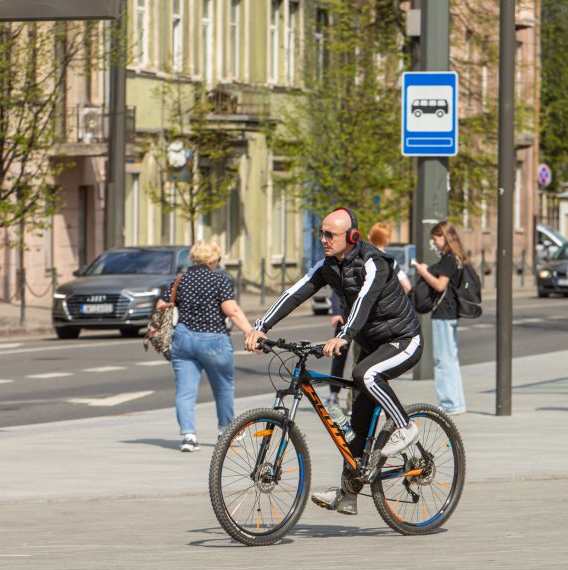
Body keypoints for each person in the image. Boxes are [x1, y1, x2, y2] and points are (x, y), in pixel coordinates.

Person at [245, 207, 423, 516]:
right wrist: (261, 326)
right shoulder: (328, 265)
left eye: (330, 234)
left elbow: (366, 299)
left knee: (365, 374)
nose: (324, 240)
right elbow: (295, 293)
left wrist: (345, 334)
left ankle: (405, 426)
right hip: (371, 345)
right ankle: (348, 495)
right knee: (355, 427)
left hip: (403, 340)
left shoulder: (373, 263)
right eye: (321, 234)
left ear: (352, 237)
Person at [156, 240, 252, 453]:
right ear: (212, 259)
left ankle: (188, 436)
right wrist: (251, 332)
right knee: (224, 387)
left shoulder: (181, 279)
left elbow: (162, 305)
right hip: (213, 339)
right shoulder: (219, 279)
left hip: (183, 339)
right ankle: (226, 431)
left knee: (185, 391)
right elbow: (231, 310)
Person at [324, 222, 410, 409]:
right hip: (372, 323)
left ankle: (342, 399)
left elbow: (339, 288)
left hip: (356, 322)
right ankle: (361, 407)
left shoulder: (371, 258)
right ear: (387, 239)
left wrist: (337, 312)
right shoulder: (389, 260)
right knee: (366, 367)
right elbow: (407, 286)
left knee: (354, 363)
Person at [413, 221, 468, 415]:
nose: (433, 242)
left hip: (444, 312)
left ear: (444, 237)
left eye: (435, 238)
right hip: (450, 311)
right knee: (450, 360)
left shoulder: (448, 258)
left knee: (442, 360)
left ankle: (449, 403)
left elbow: (439, 285)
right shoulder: (457, 258)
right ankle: (457, 402)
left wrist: (423, 272)